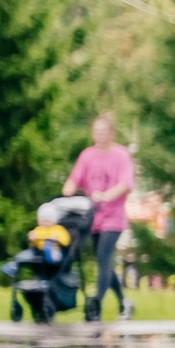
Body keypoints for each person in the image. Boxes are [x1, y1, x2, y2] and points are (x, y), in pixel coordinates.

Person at [64, 116, 135, 323]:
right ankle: (124, 302)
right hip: (93, 218)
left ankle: (96, 305)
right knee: (105, 264)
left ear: (111, 133)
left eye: (103, 132)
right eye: (96, 132)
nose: (100, 136)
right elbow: (75, 178)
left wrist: (104, 196)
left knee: (104, 258)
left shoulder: (121, 155)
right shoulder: (87, 155)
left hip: (113, 218)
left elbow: (125, 184)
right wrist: (68, 189)